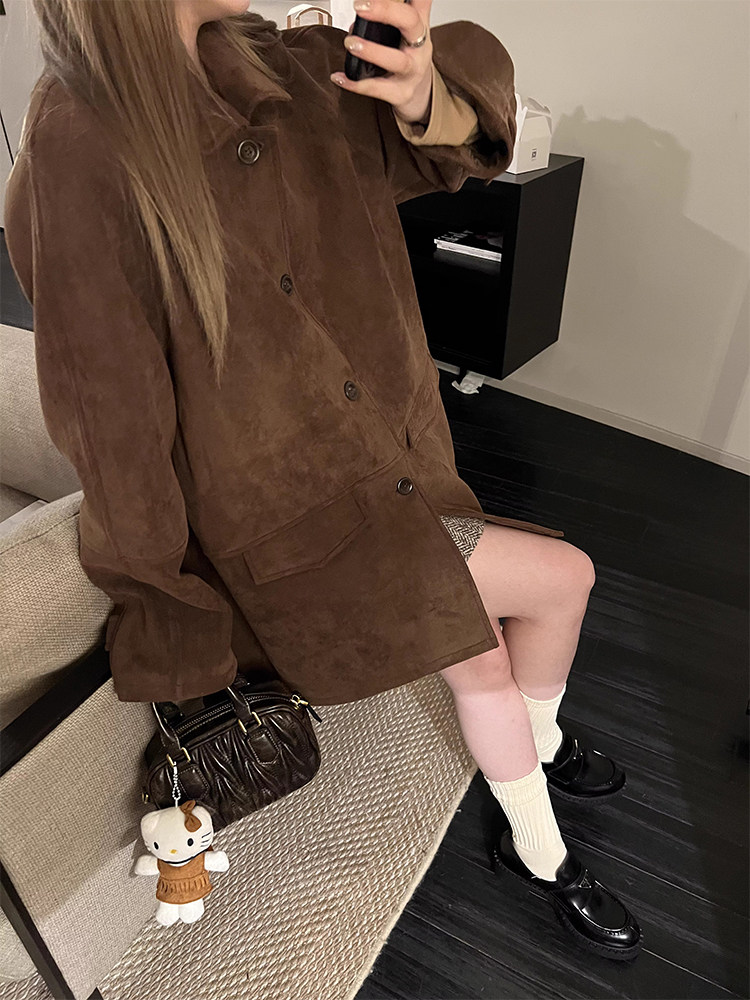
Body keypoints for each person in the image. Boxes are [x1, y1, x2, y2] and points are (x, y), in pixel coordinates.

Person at [4, 0, 641, 962]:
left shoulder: (290, 67)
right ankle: (541, 839)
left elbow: (453, 148)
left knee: (493, 645)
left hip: (394, 468)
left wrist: (427, 96)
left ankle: (539, 774)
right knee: (548, 593)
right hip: (291, 525)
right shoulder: (80, 138)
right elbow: (113, 426)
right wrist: (177, 626)